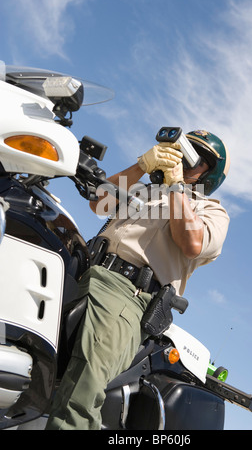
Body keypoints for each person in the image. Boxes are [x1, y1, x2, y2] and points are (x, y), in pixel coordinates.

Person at [46, 129, 230, 430]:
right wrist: (141, 166)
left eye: (196, 160)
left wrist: (176, 189)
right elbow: (100, 204)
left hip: (126, 295)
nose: (184, 161)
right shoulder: (145, 191)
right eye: (183, 152)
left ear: (208, 174)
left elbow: (192, 243)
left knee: (83, 387)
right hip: (85, 269)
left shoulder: (210, 210)